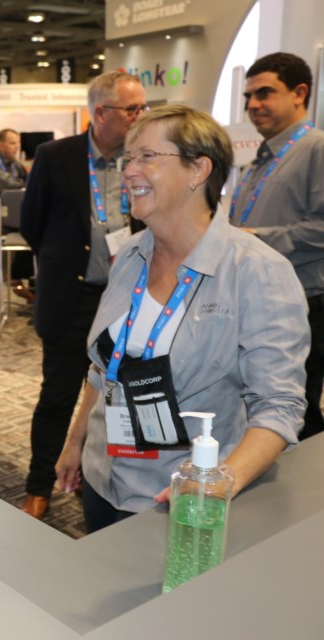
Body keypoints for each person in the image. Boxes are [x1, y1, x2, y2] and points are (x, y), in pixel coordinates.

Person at [55, 104, 309, 532]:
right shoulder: (130, 258)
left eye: (148, 156)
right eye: (128, 157)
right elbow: (102, 369)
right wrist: (76, 441)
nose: (130, 170)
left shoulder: (256, 271)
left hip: (181, 499)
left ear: (198, 170)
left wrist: (215, 484)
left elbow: (279, 407)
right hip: (103, 479)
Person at [18, 71, 147, 519]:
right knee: (57, 396)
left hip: (125, 302)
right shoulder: (56, 157)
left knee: (117, 396)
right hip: (71, 300)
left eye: (141, 108)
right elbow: (32, 225)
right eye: (131, 109)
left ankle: (92, 477)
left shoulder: (143, 157)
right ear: (100, 113)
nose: (139, 116)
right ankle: (39, 485)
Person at [229, 52, 324, 441]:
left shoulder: (316, 148)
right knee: (258, 408)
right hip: (259, 303)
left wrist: (255, 241)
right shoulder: (258, 162)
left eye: (265, 93)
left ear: (299, 93)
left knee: (292, 413)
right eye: (248, 96)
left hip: (303, 305)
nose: (253, 105)